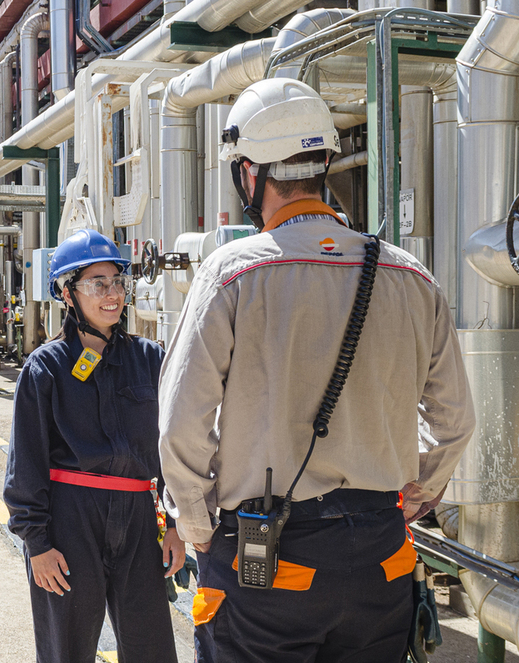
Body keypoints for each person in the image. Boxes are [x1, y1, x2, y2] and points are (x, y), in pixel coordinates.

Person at [157, 78, 475, 662]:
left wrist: (198, 526)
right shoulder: (411, 277)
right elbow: (455, 420)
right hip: (380, 558)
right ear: (325, 161)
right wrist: (418, 492)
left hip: (267, 562)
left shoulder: (232, 274)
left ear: (250, 174)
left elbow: (181, 423)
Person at [3, 228, 184, 663]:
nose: (113, 295)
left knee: (152, 648)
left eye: (117, 283)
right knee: (67, 648)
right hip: (71, 521)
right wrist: (37, 545)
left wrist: (175, 524)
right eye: (97, 284)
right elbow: (24, 462)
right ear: (68, 294)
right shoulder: (45, 368)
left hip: (140, 521)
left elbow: (173, 449)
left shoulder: (149, 359)